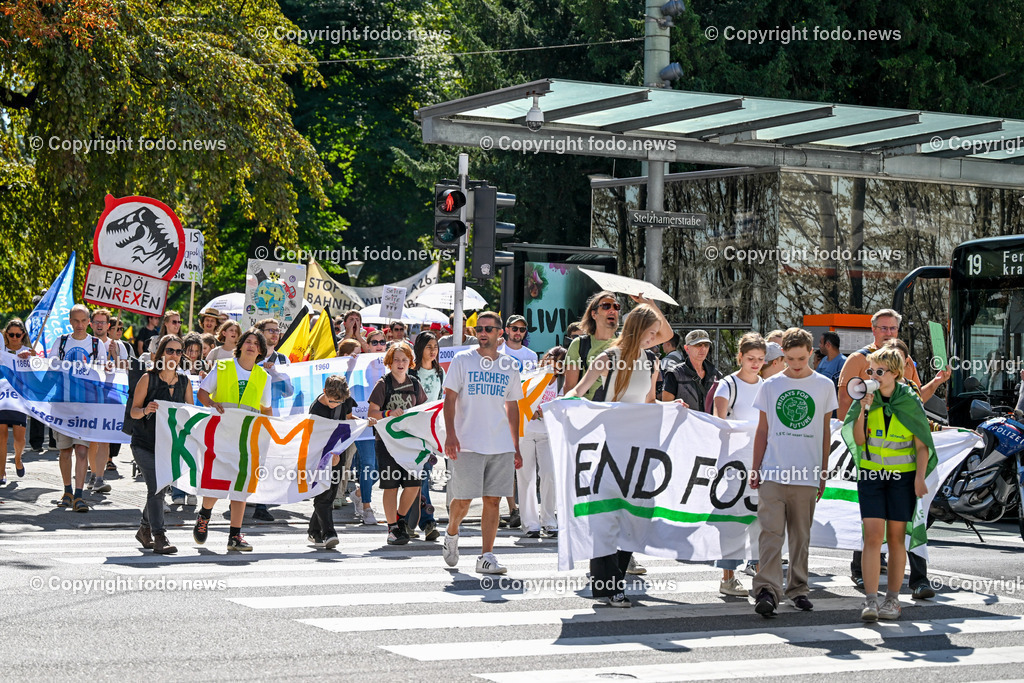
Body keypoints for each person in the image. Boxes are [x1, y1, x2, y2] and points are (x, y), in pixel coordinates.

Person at [565, 304, 671, 606]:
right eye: (650, 333)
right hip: (611, 449)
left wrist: (672, 408)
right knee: (607, 517)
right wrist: (556, 406)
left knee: (637, 516)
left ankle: (614, 581)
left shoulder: (650, 361)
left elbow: (649, 402)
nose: (654, 338)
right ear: (638, 330)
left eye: (654, 334)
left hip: (641, 449)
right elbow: (580, 390)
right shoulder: (608, 358)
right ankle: (609, 585)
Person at [837, 309, 931, 589]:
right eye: (884, 328)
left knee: (904, 526)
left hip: (903, 470)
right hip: (870, 463)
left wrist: (936, 382)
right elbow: (845, 399)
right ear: (873, 329)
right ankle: (864, 572)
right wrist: (859, 416)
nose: (889, 333)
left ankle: (915, 579)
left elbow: (915, 404)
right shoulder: (858, 359)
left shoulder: (906, 365)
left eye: (893, 329)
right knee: (872, 524)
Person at [750, 328, 838, 617]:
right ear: (783, 355)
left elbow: (825, 431)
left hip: (807, 473)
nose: (796, 364)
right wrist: (755, 468)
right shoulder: (770, 385)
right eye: (789, 359)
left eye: (801, 358)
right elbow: (762, 430)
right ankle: (767, 590)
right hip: (773, 472)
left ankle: (798, 589)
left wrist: (823, 472)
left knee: (801, 536)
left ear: (811, 353)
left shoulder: (825, 385)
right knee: (770, 534)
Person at [442, 312, 524, 574]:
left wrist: (516, 445)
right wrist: (451, 435)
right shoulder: (462, 360)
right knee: (464, 500)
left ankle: (486, 556)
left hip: (499, 443)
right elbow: (449, 399)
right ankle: (452, 532)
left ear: (500, 333)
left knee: (493, 501)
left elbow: (513, 407)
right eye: (479, 328)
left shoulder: (510, 365)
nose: (483, 332)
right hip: (467, 442)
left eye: (489, 328)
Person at [195, 330, 273, 551]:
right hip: (220, 435)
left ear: (260, 350)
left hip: (246, 439)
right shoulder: (223, 367)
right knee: (216, 484)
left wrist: (272, 433)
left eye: (256, 344)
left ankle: (235, 536)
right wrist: (211, 405)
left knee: (241, 487)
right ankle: (204, 514)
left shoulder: (263, 377)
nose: (251, 346)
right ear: (241, 345)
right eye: (247, 341)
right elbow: (202, 393)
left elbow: (266, 409)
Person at [710, 332, 766, 596]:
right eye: (751, 358)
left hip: (761, 462)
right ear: (740, 357)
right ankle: (728, 577)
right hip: (734, 465)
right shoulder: (727, 385)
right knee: (732, 520)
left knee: (760, 517)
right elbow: (718, 422)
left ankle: (757, 565)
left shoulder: (767, 386)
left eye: (760, 359)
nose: (755, 363)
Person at [128, 335, 193, 554]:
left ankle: (144, 530)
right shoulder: (148, 378)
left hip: (170, 446)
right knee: (156, 487)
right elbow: (134, 411)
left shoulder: (185, 381)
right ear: (161, 353)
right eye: (170, 350)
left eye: (178, 351)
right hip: (144, 444)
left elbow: (191, 414)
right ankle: (159, 536)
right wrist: (146, 410)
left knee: (160, 487)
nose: (174, 355)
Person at [564, 290, 674, 402]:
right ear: (594, 314)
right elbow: (570, 387)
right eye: (606, 306)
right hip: (590, 413)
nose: (612, 310)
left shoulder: (628, 343)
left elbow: (667, 334)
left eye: (616, 307)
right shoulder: (580, 344)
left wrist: (650, 305)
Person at [49, 304, 108, 511]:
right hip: (63, 404)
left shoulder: (95, 344)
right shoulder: (62, 341)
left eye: (84, 321)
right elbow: (51, 366)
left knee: (82, 450)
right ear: (70, 321)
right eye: (76, 320)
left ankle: (79, 495)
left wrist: (107, 367)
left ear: (89, 322)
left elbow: (103, 371)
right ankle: (67, 491)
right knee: (65, 450)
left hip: (86, 406)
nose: (80, 325)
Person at [368, 342, 428, 545]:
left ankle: (400, 520)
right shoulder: (383, 384)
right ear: (389, 362)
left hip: (410, 444)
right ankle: (392, 527)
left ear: (410, 362)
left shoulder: (415, 384)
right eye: (396, 360)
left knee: (413, 484)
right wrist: (388, 413)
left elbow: (424, 411)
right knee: (391, 485)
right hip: (387, 443)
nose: (401, 363)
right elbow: (371, 413)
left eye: (404, 359)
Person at [518, 345, 567, 539]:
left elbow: (562, 406)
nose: (553, 362)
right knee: (526, 477)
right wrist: (534, 412)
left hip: (549, 434)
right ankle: (529, 523)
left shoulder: (562, 382)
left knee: (549, 475)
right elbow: (519, 398)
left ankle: (549, 520)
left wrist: (542, 412)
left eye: (558, 360)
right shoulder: (532, 376)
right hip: (526, 432)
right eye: (550, 357)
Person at [307, 375, 357, 549]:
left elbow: (349, 419)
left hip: (339, 450)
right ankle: (329, 532)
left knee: (332, 490)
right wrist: (328, 455)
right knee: (323, 494)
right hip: (320, 454)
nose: (336, 405)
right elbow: (313, 438)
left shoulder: (346, 400)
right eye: (332, 401)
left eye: (339, 402)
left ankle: (314, 531)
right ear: (324, 392)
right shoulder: (316, 410)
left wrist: (365, 423)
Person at [405, 331, 445, 541]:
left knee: (424, 476)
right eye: (429, 347)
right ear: (420, 349)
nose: (433, 351)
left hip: (430, 431)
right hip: (412, 430)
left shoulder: (440, 374)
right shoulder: (412, 374)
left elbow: (441, 400)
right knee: (414, 477)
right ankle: (424, 521)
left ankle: (420, 521)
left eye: (435, 347)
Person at [662, 329, 722, 410]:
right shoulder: (674, 374)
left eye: (706, 345)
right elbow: (666, 407)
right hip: (684, 422)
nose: (703, 349)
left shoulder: (716, 375)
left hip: (709, 422)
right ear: (687, 348)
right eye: (698, 345)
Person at [1, 319, 30, 483]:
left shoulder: (28, 351)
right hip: (1, 397)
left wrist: (31, 358)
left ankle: (18, 459)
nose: (14, 338)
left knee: (19, 439)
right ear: (6, 334)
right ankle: (1, 472)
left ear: (23, 335)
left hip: (19, 399)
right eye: (11, 334)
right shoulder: (1, 350)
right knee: (1, 436)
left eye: (17, 335)